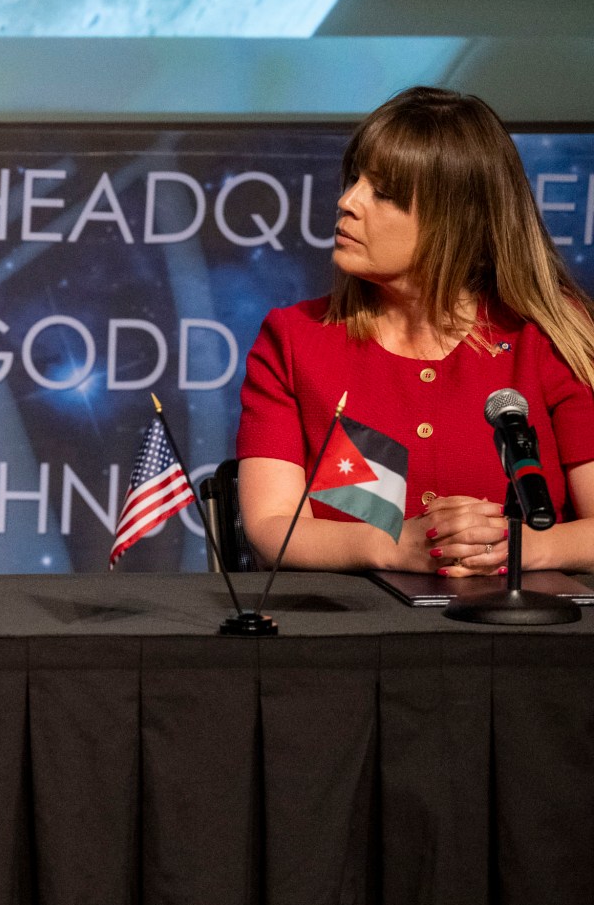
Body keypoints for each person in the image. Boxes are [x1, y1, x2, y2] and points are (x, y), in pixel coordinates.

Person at [236, 86, 594, 575]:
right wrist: (395, 546)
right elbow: (271, 526)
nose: (347, 200)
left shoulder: (551, 339)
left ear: (457, 220)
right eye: (354, 179)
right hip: (357, 622)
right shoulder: (293, 338)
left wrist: (512, 549)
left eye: (383, 193)